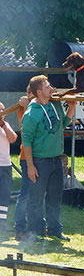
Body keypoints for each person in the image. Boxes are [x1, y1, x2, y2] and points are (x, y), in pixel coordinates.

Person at [21, 75, 76, 242]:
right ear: (39, 91)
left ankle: (54, 229)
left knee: (55, 197)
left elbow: (62, 124)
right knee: (36, 198)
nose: (51, 88)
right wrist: (30, 166)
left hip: (56, 160)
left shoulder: (55, 104)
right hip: (39, 161)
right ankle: (34, 231)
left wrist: (71, 107)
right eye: (47, 86)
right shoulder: (31, 112)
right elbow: (27, 141)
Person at [14, 88, 39, 241]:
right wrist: (26, 104)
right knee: (25, 194)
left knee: (37, 194)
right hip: (26, 157)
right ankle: (20, 228)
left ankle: (37, 226)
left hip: (40, 156)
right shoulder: (25, 110)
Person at [0, 101, 18, 238]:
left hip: (6, 165)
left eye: (3, 110)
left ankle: (2, 223)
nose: (2, 113)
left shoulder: (6, 125)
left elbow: (13, 138)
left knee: (4, 195)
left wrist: (3, 124)